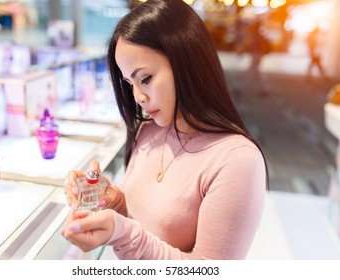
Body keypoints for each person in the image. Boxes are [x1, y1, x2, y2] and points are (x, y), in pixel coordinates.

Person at [61, 0, 267, 260]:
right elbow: (143, 216)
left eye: (145, 79)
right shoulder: (149, 130)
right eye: (129, 83)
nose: (138, 97)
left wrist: (124, 234)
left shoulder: (237, 160)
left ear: (186, 62)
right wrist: (112, 199)